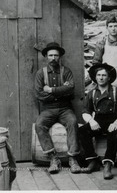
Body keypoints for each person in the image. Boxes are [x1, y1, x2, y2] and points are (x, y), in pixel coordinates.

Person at [35, 42, 84, 174]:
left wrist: (50, 90)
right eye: (50, 55)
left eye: (56, 55)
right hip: (48, 109)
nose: (53, 58)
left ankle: (73, 159)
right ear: (46, 56)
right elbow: (39, 94)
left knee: (73, 122)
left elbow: (71, 89)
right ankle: (53, 158)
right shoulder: (41, 73)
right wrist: (61, 92)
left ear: (60, 57)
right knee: (39, 125)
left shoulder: (66, 71)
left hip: (65, 108)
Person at [79, 63, 117, 179]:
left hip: (113, 120)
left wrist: (116, 123)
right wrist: (92, 122)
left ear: (109, 78)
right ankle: (93, 161)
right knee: (82, 131)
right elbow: (85, 110)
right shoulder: (92, 93)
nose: (101, 77)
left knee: (114, 134)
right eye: (99, 75)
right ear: (95, 77)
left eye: (104, 75)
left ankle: (108, 164)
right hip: (98, 121)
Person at [92, 16, 117, 89]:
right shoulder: (102, 43)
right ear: (107, 28)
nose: (113, 29)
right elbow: (96, 63)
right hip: (109, 79)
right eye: (110, 26)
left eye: (115, 26)